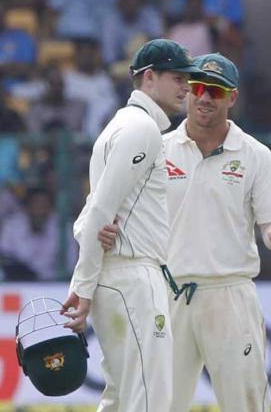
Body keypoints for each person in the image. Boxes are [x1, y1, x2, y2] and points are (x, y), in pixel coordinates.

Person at [98, 52, 271, 412]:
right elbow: (122, 210)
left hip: (229, 293)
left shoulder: (254, 155)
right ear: (188, 91)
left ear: (232, 98)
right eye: (198, 87)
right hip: (167, 292)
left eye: (216, 91)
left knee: (246, 404)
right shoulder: (158, 148)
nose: (205, 97)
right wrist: (110, 231)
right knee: (159, 404)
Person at [60, 38, 201, 412]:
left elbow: (92, 212)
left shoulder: (122, 125)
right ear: (149, 77)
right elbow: (101, 208)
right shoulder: (141, 129)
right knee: (149, 396)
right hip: (132, 278)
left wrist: (85, 259)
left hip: (121, 276)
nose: (186, 88)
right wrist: (82, 286)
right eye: (177, 78)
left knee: (121, 397)